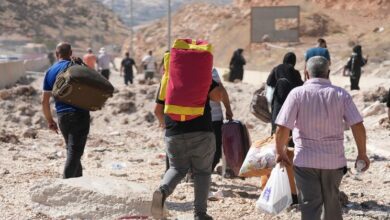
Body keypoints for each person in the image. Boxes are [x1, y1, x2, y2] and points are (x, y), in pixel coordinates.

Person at [275, 56, 370, 220]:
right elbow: (357, 125)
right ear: (328, 73)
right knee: (332, 202)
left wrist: (280, 152)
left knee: (310, 205)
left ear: (306, 73)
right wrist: (362, 153)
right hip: (334, 162)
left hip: (305, 160)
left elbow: (283, 128)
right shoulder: (341, 94)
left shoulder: (297, 94)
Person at [152, 79, 223, 220]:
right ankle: (200, 214)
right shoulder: (201, 74)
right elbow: (218, 97)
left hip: (174, 133)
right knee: (202, 173)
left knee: (176, 169)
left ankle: (163, 190)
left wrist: (166, 126)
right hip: (201, 131)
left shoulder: (168, 78)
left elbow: (157, 110)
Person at [41, 42, 91, 179]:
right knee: (74, 152)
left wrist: (50, 121)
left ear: (57, 55)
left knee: (72, 151)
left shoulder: (50, 72)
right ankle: (65, 184)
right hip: (79, 114)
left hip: (62, 116)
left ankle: (79, 182)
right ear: (71, 53)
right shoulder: (76, 66)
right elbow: (95, 82)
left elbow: (44, 101)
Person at [266, 52, 303, 134]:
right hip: (291, 101)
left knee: (276, 120)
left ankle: (275, 138)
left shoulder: (276, 69)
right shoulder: (295, 72)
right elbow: (301, 86)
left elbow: (269, 82)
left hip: (278, 100)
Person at [210, 68, 234, 172]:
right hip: (214, 117)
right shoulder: (210, 69)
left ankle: (196, 172)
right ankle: (205, 171)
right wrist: (228, 109)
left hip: (194, 117)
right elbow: (221, 90)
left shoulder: (187, 67)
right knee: (216, 148)